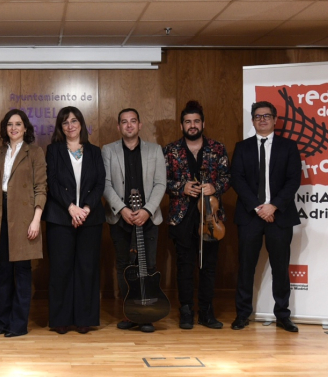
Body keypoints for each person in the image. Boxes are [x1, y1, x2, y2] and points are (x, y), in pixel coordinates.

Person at [231, 101, 301, 332]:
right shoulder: (242, 147)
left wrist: (273, 206)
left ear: (274, 119)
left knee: (281, 268)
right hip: (250, 216)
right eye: (258, 116)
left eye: (267, 116)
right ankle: (242, 314)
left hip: (279, 216)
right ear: (252, 120)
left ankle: (282, 314)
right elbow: (237, 180)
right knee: (246, 267)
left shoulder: (289, 147)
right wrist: (258, 207)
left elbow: (293, 181)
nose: (262, 119)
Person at [163, 101, 230, 330]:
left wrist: (215, 187)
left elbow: (227, 177)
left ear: (203, 123)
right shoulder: (170, 150)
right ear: (182, 125)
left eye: (196, 121)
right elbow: (162, 181)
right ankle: (186, 310)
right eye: (188, 122)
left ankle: (206, 311)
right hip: (182, 216)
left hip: (210, 215)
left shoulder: (217, 148)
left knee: (209, 265)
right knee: (184, 264)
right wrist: (181, 187)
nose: (192, 125)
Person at [0, 109, 47, 338]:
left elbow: (41, 188)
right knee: (3, 273)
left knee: (21, 273)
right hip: (0, 213)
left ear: (26, 127)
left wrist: (36, 220)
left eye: (18, 124)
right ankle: (3, 322)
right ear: (5, 128)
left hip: (24, 216)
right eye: (10, 124)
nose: (14, 128)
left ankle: (18, 325)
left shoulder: (35, 152)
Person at [102, 108, 166, 333]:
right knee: (123, 266)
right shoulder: (108, 151)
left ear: (140, 125)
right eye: (124, 122)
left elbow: (160, 184)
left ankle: (147, 315)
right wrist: (122, 209)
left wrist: (147, 210)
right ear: (119, 127)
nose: (129, 125)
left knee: (148, 266)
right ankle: (129, 314)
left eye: (133, 121)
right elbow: (106, 184)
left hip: (148, 218)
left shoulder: (155, 150)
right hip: (121, 218)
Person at [43, 106, 105, 335]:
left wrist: (85, 208)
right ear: (61, 127)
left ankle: (84, 319)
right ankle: (61, 318)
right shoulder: (53, 150)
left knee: (86, 268)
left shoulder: (94, 151)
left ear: (81, 124)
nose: (70, 125)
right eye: (65, 122)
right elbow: (53, 182)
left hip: (90, 218)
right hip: (61, 217)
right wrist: (71, 208)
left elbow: (100, 183)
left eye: (74, 120)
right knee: (61, 269)